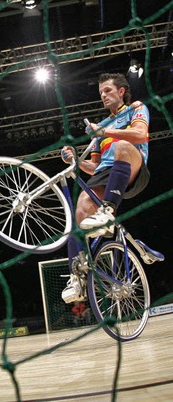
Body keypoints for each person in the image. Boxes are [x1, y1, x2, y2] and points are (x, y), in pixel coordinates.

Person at [61, 72, 150, 303]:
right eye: (101, 92)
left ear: (121, 91)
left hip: (133, 166)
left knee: (121, 145)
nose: (103, 95)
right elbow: (95, 167)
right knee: (79, 211)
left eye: (108, 90)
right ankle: (77, 277)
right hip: (107, 174)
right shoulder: (101, 126)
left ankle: (108, 211)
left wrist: (105, 132)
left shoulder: (135, 108)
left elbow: (140, 135)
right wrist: (75, 161)